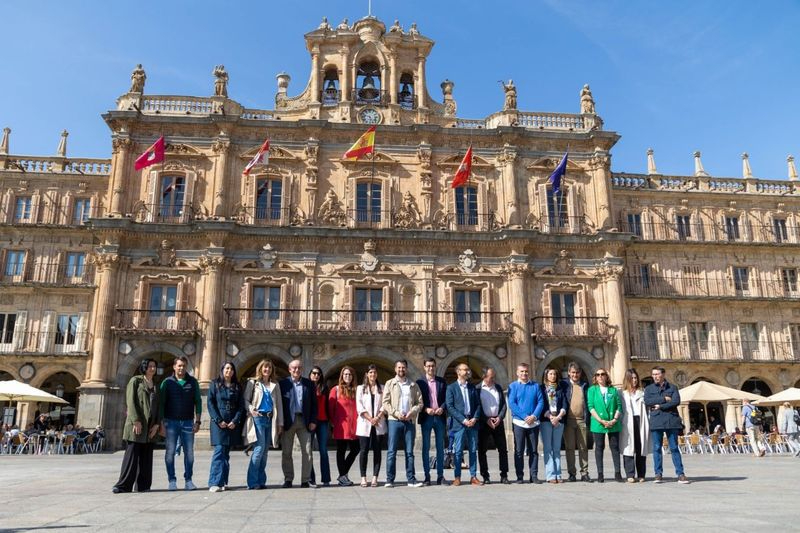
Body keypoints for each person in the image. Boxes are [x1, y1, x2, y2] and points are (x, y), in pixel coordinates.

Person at [113, 358, 160, 494]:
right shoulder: (136, 381)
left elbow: (158, 407)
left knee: (146, 457)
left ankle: (143, 485)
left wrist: (156, 424)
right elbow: (131, 401)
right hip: (137, 424)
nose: (153, 368)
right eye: (150, 366)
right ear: (144, 367)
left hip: (150, 425)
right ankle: (123, 486)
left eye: (154, 366)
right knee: (131, 455)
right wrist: (136, 420)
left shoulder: (156, 385)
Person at [159, 356, 202, 491]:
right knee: (170, 452)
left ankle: (188, 480)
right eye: (179, 365)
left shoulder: (193, 382)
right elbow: (161, 404)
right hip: (171, 422)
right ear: (174, 367)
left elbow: (198, 402)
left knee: (189, 453)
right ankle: (172, 480)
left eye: (183, 365)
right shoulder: (166, 382)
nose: (181, 368)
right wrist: (161, 423)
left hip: (188, 422)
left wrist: (198, 421)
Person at [382, 359, 423, 487]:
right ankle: (390, 479)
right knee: (391, 451)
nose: (401, 370)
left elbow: (420, 403)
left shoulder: (413, 385)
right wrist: (396, 413)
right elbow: (385, 402)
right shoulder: (390, 383)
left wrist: (412, 412)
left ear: (406, 369)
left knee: (409, 452)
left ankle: (411, 479)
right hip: (394, 420)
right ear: (395, 369)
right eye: (399, 367)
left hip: (409, 421)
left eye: (403, 367)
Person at [644, 366, 689, 484]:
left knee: (674, 448)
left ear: (663, 374)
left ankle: (680, 473)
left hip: (671, 420)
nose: (655, 376)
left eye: (657, 374)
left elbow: (676, 401)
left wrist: (660, 405)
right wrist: (664, 399)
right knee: (657, 448)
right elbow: (648, 401)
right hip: (656, 421)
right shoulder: (648, 389)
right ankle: (658, 474)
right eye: (653, 374)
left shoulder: (673, 387)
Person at [243, 358, 284, 489]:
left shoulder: (275, 385)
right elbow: (245, 400)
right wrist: (251, 409)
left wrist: (280, 423)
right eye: (265, 367)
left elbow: (279, 405)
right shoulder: (253, 383)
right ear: (260, 369)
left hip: (270, 419)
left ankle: (261, 480)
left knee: (265, 451)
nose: (267, 370)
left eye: (270, 368)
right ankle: (252, 482)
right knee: (259, 449)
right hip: (258, 418)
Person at [279, 359, 318, 488]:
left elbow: (314, 404)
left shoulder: (309, 384)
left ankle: (305, 480)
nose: (296, 370)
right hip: (288, 421)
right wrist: (280, 422)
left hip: (304, 421)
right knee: (286, 452)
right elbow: (279, 405)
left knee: (307, 451)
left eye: (299, 368)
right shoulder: (283, 384)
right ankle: (288, 479)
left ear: (302, 369)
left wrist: (313, 421)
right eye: (294, 368)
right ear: (289, 369)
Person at [207, 362, 243, 492]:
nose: (229, 371)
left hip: (231, 423)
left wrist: (235, 420)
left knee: (226, 453)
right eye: (227, 368)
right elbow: (210, 403)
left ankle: (223, 481)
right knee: (219, 451)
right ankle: (214, 482)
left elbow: (240, 406)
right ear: (222, 370)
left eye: (231, 369)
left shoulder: (237, 386)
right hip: (219, 423)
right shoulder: (215, 384)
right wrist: (218, 420)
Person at [445, 363, 482, 486]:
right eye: (464, 370)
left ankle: (473, 476)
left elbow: (478, 404)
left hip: (472, 423)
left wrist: (475, 418)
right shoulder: (451, 388)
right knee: (458, 451)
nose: (467, 372)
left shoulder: (472, 387)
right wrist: (463, 419)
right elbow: (450, 406)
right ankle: (457, 477)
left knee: (472, 450)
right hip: (459, 424)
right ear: (458, 372)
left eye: (468, 369)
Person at [507, 362, 544, 484]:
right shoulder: (513, 386)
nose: (524, 373)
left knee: (533, 450)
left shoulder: (536, 386)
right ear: (517, 372)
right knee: (519, 450)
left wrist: (533, 416)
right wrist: (524, 416)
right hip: (519, 423)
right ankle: (519, 476)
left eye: (526, 371)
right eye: (522, 371)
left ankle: (533, 475)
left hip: (533, 423)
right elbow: (512, 403)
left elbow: (540, 402)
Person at [588, 367, 623, 483]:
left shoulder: (613, 390)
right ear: (595, 377)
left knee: (615, 447)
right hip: (598, 423)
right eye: (598, 375)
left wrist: (614, 419)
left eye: (602, 374)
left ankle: (618, 473)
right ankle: (600, 474)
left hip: (613, 422)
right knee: (599, 448)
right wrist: (601, 420)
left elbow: (619, 406)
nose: (600, 376)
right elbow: (591, 407)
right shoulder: (592, 390)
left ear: (606, 376)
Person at [416, 357, 447, 486]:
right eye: (428, 366)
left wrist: (442, 408)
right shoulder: (419, 382)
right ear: (424, 367)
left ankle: (440, 476)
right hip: (426, 417)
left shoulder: (442, 382)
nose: (431, 368)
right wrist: (425, 409)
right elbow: (416, 400)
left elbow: (447, 399)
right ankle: (427, 476)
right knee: (426, 448)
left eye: (433, 366)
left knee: (441, 447)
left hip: (439, 417)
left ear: (435, 367)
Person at [477, 367, 509, 485]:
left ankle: (504, 475)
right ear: (484, 377)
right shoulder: (478, 389)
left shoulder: (498, 388)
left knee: (502, 450)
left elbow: (504, 405)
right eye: (491, 377)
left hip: (498, 421)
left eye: (494, 376)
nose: (493, 379)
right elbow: (477, 407)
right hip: (484, 423)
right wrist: (486, 419)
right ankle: (485, 475)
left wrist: (500, 417)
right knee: (482, 450)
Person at [356, 365, 386, 487]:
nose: (372, 375)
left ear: (377, 374)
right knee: (363, 451)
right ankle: (363, 477)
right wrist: (370, 419)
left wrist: (377, 417)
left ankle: (375, 477)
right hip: (365, 423)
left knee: (377, 451)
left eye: (374, 372)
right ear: (367, 374)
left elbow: (385, 404)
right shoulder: (360, 388)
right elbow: (359, 406)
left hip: (378, 423)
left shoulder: (382, 388)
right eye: (370, 372)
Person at [329, 366, 359, 486]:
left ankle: (343, 474)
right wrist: (332, 422)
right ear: (342, 376)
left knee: (356, 449)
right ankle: (343, 476)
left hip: (354, 426)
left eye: (350, 375)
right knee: (341, 450)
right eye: (345, 374)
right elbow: (331, 408)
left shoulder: (356, 390)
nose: (347, 376)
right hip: (341, 425)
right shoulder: (335, 390)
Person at [562, 362, 591, 482]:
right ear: (569, 373)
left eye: (577, 372)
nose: (575, 375)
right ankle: (572, 473)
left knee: (583, 448)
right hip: (568, 421)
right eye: (573, 372)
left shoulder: (585, 385)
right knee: (569, 448)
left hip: (582, 421)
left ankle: (584, 473)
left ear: (580, 373)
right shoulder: (564, 385)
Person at [620, 368, 650, 482]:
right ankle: (630, 474)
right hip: (627, 422)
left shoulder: (642, 392)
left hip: (640, 420)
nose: (634, 380)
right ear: (627, 379)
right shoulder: (621, 393)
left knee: (640, 447)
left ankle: (641, 474)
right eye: (632, 378)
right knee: (628, 448)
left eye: (636, 378)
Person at [540, 368, 567, 484]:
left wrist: (558, 417)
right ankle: (550, 475)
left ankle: (558, 474)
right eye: (550, 374)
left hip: (559, 420)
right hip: (546, 420)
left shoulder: (560, 389)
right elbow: (541, 404)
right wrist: (550, 417)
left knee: (557, 448)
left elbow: (565, 404)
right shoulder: (541, 389)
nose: (553, 376)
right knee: (548, 449)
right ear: (546, 375)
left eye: (555, 373)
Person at [308, 366, 331, 486]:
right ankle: (311, 478)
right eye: (314, 373)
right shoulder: (306, 386)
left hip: (323, 421)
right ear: (310, 374)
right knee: (309, 451)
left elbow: (328, 404)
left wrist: (330, 419)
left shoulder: (324, 388)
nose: (316, 375)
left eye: (319, 374)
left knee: (323, 450)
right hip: (310, 422)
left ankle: (326, 478)